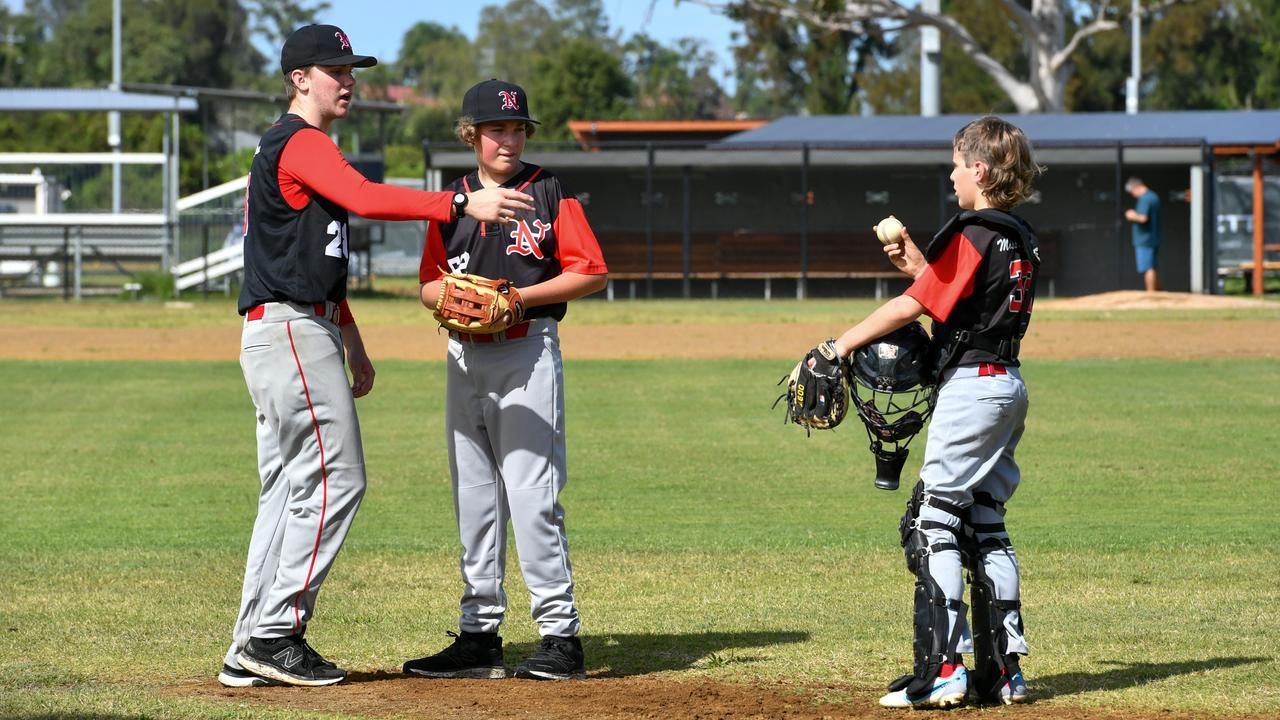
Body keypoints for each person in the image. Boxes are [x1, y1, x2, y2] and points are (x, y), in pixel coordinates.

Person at [219, 26, 534, 689]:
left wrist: (351, 334)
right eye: (335, 68)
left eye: (351, 67)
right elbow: (365, 199)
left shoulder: (301, 147)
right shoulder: (300, 142)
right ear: (300, 78)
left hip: (300, 326)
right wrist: (457, 202)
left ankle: (250, 643)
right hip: (290, 332)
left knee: (287, 490)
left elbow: (305, 257)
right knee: (338, 480)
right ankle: (277, 632)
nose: (349, 78)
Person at [828, 116, 1042, 708]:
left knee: (931, 522)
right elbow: (953, 297)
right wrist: (922, 265)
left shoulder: (974, 228)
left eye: (955, 164)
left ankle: (945, 669)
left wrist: (835, 346)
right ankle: (1004, 673)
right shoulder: (1016, 232)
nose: (951, 176)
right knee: (985, 522)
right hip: (1007, 384)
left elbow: (913, 307)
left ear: (978, 168)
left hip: (973, 386)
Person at [402, 79, 608, 682]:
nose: (509, 139)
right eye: (497, 130)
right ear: (472, 135)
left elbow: (589, 271)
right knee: (474, 499)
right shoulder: (453, 201)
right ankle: (479, 635)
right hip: (464, 356)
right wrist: (450, 298)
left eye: (518, 129)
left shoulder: (548, 190)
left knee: (532, 497)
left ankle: (560, 636)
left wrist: (517, 299)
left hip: (526, 353)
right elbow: (427, 284)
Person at [1124, 177, 1161, 292]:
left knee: (1148, 268)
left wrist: (1131, 215)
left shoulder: (1145, 199)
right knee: (1152, 267)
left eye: (1132, 192)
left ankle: (1151, 293)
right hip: (1153, 237)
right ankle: (1156, 292)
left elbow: (1143, 218)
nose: (1132, 195)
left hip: (1145, 238)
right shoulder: (1153, 196)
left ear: (1136, 187)